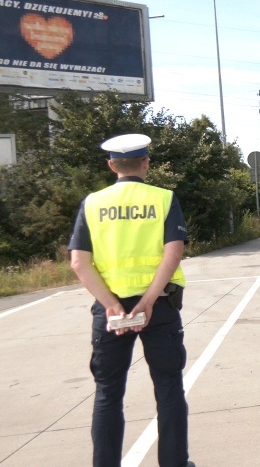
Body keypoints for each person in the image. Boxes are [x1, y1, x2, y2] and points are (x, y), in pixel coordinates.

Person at [68, 134, 193, 467]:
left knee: (109, 393)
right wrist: (149, 300)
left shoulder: (92, 203)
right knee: (168, 387)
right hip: (160, 307)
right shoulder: (164, 199)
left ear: (111, 166)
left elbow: (79, 261)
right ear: (146, 163)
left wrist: (110, 305)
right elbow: (174, 251)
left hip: (110, 312)